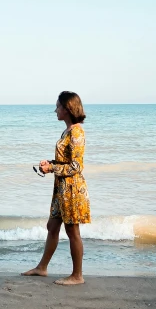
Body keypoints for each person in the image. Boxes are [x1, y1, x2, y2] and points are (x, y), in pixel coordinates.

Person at [22, 91, 91, 285]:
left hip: (72, 189)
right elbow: (65, 161)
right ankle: (42, 268)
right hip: (61, 188)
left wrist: (51, 168)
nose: (55, 110)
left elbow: (76, 166)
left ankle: (77, 276)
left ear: (67, 108)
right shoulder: (67, 131)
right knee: (52, 226)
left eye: (58, 106)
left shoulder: (76, 132)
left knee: (72, 230)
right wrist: (50, 163)